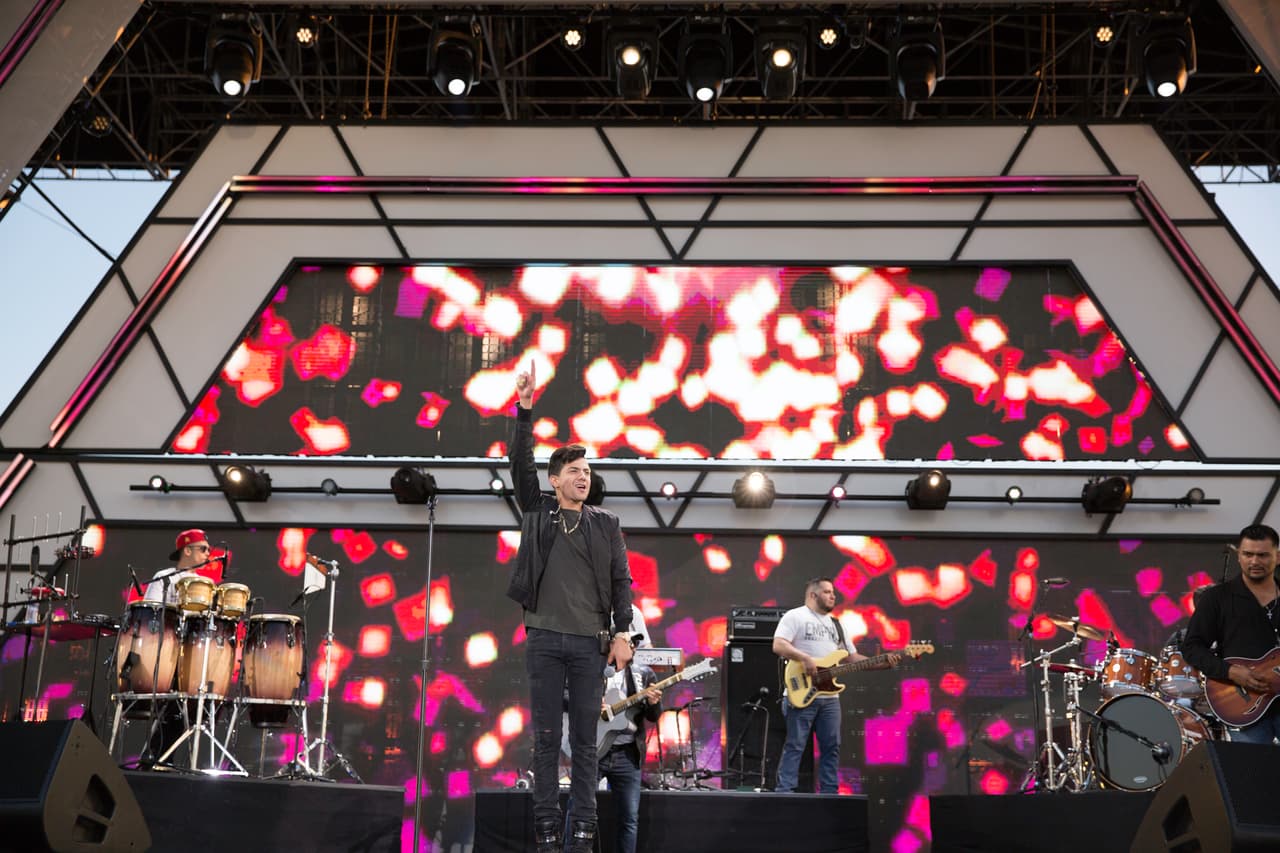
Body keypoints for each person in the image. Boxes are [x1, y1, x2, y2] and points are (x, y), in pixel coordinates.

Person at [505, 361, 634, 853]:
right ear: (554, 480)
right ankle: (545, 832)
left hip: (588, 645)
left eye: (587, 471)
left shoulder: (606, 523)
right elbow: (520, 462)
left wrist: (622, 633)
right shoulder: (539, 513)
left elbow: (621, 581)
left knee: (584, 743)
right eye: (575, 472)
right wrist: (524, 410)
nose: (584, 477)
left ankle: (580, 832)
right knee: (543, 741)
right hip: (543, 639)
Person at [772, 577, 900, 793]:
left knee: (831, 746)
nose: (833, 596)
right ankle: (785, 791)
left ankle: (830, 793)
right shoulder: (796, 616)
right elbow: (778, 644)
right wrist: (804, 657)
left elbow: (852, 658)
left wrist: (883, 663)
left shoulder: (837, 625)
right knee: (795, 745)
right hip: (801, 692)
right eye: (827, 592)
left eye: (833, 592)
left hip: (830, 698)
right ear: (813, 595)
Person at [1182, 524, 1280, 744]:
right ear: (1239, 556)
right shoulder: (1217, 598)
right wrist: (1230, 671)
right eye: (1248, 554)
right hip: (1243, 706)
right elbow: (1192, 647)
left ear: (1278, 557)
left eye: (1263, 555)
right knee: (1251, 776)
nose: (1254, 561)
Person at [141, 529, 223, 605]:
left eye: (208, 550)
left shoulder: (207, 583)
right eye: (203, 549)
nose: (208, 553)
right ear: (187, 551)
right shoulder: (163, 576)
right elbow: (151, 610)